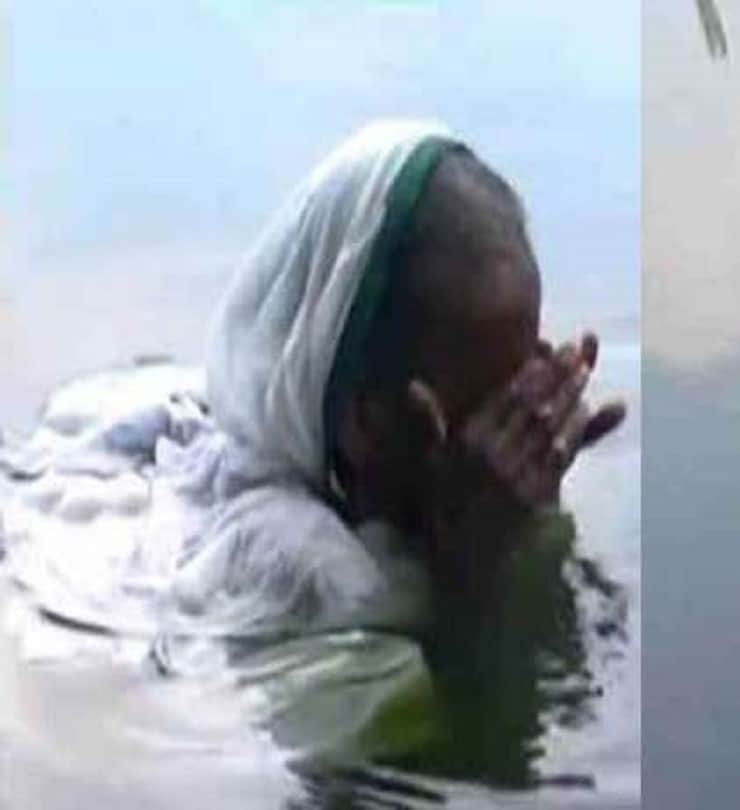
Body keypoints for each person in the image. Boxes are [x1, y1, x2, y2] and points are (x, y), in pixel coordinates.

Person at [0, 119, 626, 641]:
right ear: (365, 423)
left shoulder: (268, 420)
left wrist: (520, 510)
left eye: (530, 371)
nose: (532, 419)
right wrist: (472, 563)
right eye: (495, 404)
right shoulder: (315, 572)